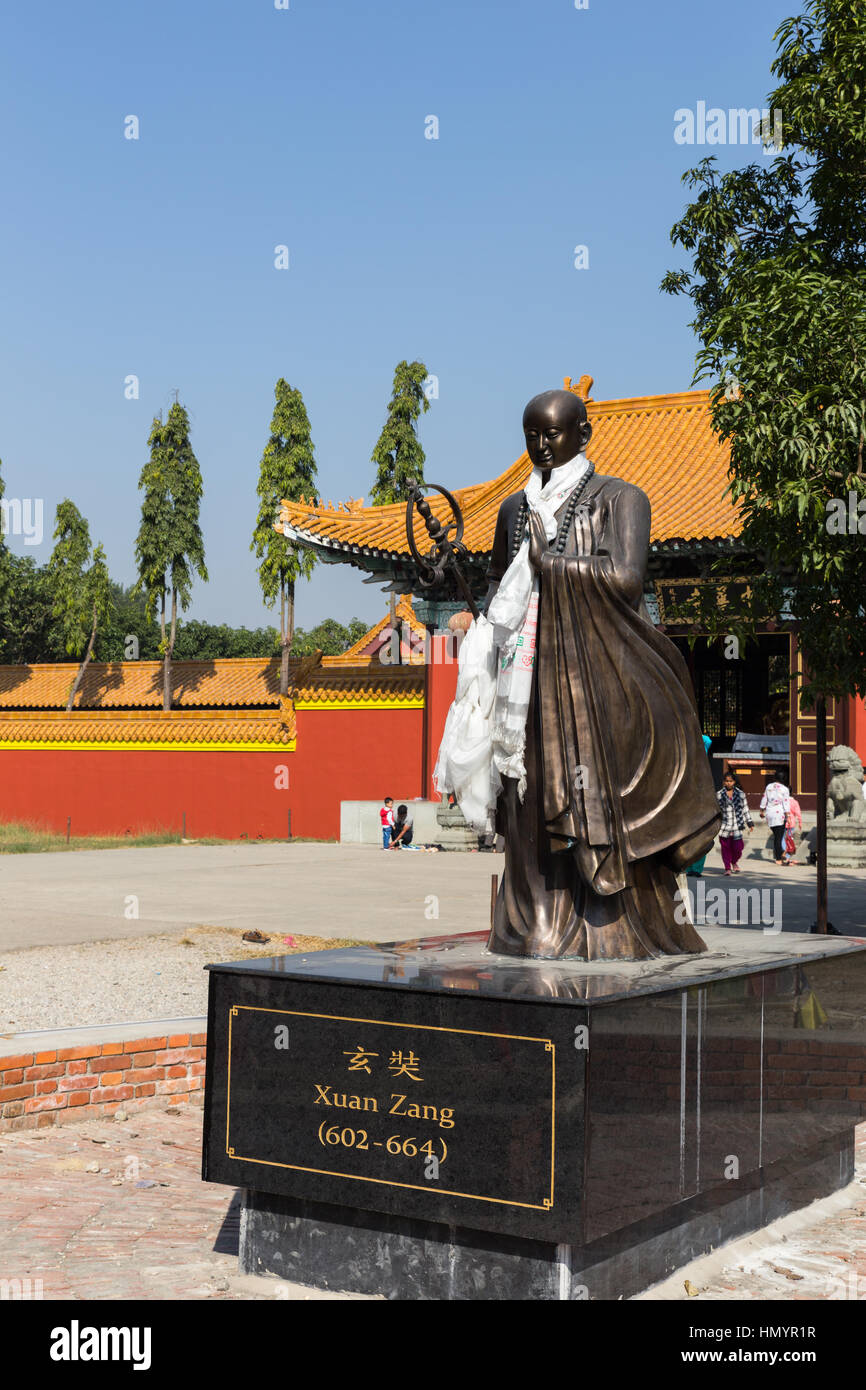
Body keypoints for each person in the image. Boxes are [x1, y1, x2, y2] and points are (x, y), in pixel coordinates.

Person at [435, 388, 720, 960]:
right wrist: (480, 609)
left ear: (582, 435)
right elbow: (499, 584)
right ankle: (529, 925)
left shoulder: (620, 500)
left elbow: (627, 579)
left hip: (594, 685)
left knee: (587, 791)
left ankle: (606, 927)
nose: (542, 446)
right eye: (531, 436)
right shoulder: (514, 510)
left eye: (553, 434)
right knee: (525, 798)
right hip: (524, 682)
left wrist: (553, 565)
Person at [717, 771, 753, 875]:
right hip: (724, 826)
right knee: (725, 848)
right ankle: (727, 867)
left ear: (734, 782)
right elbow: (717, 810)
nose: (728, 783)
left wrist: (749, 822)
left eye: (730, 781)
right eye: (726, 781)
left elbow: (745, 808)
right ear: (724, 782)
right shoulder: (719, 794)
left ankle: (734, 861)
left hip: (737, 826)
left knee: (738, 848)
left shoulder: (741, 794)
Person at [759, 774, 791, 865]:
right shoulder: (785, 789)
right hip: (779, 814)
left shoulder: (769, 786)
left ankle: (782, 854)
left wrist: (761, 810)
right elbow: (786, 803)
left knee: (777, 836)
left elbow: (764, 799)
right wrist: (788, 816)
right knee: (778, 837)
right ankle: (778, 858)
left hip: (770, 814)